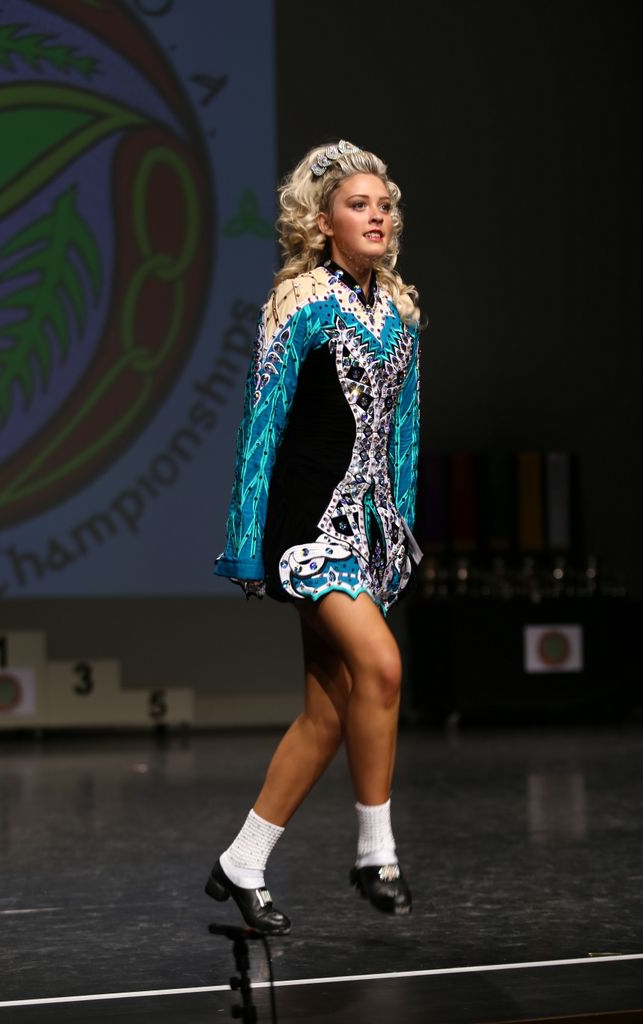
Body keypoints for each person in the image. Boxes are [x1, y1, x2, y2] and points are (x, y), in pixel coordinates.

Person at [206, 139, 424, 935]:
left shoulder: (399, 313)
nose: (376, 215)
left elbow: (403, 435)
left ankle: (242, 861)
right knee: (382, 666)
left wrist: (397, 536)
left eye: (383, 205)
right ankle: (375, 852)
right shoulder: (298, 303)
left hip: (366, 531)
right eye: (358, 204)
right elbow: (260, 425)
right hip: (305, 528)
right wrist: (247, 540)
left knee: (328, 713)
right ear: (324, 222)